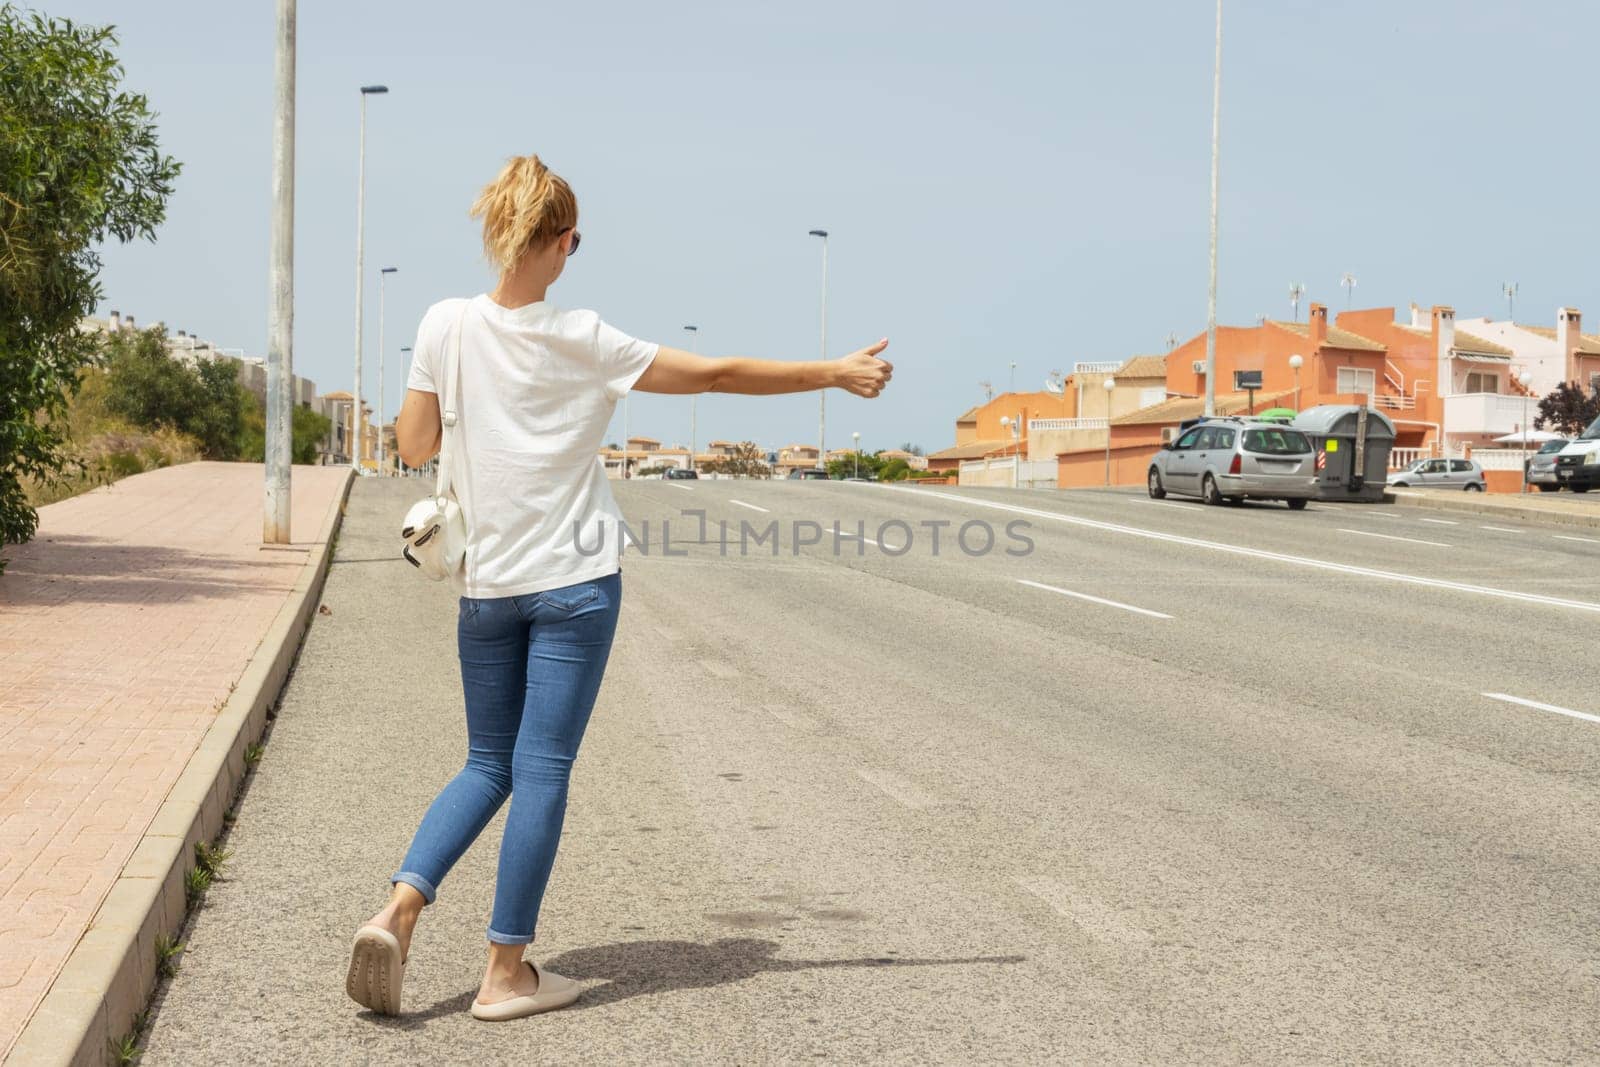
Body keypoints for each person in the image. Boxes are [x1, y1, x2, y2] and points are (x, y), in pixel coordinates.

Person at [345, 154, 892, 1022]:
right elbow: (716, 374)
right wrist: (832, 371)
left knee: (487, 762)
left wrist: (450, 392)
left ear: (497, 234)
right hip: (574, 584)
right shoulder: (587, 337)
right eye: (572, 241)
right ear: (562, 242)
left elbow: (412, 445)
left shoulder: (444, 322)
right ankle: (503, 974)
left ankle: (398, 908)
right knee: (542, 768)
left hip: (485, 588)